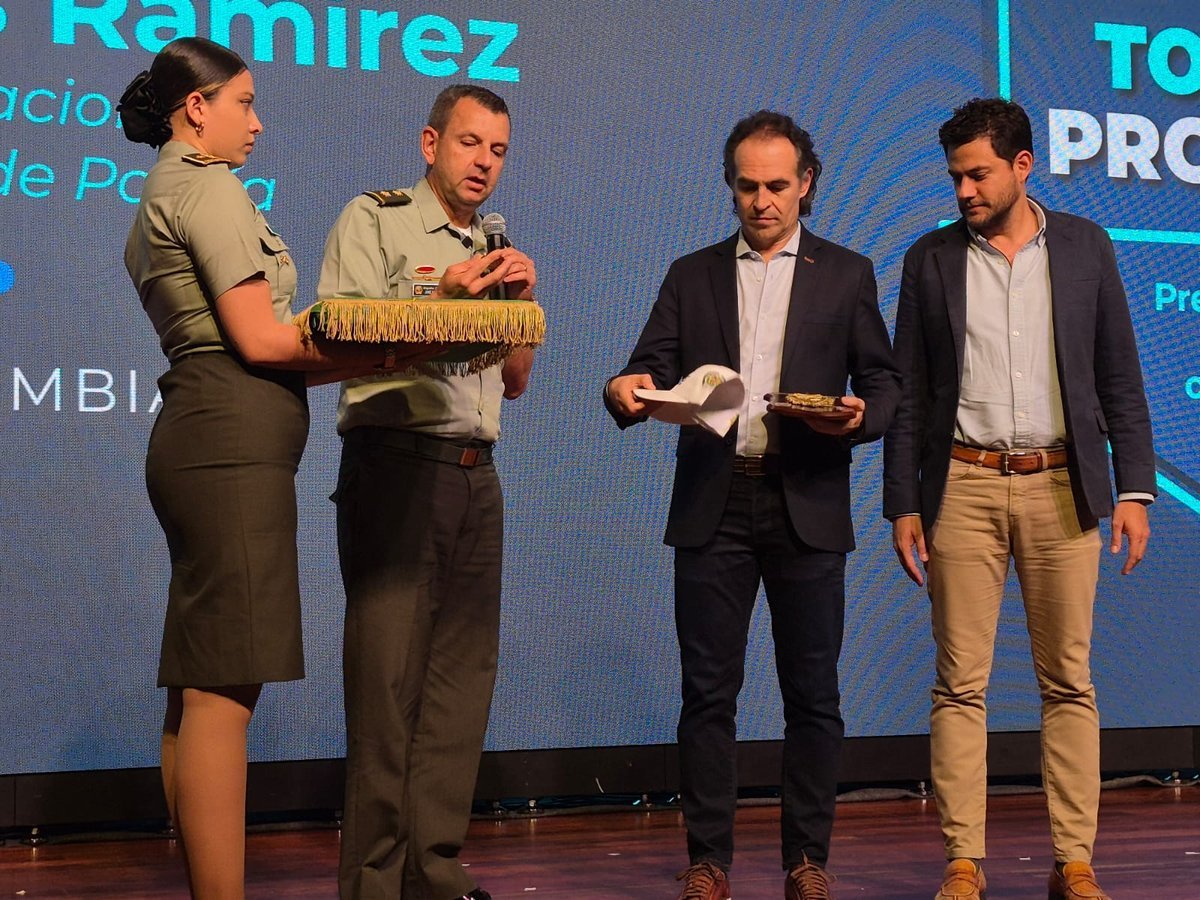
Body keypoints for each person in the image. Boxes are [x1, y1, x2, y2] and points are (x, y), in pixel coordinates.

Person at [121, 37, 431, 898]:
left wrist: (392, 345)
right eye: (245, 103)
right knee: (223, 688)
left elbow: (268, 347)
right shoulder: (207, 186)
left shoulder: (164, 189)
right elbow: (263, 340)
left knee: (198, 683)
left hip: (206, 435)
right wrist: (407, 326)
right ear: (197, 108)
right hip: (226, 447)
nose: (257, 122)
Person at [605, 111, 900, 900]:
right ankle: (708, 860)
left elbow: (885, 385)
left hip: (807, 496)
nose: (761, 201)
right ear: (729, 185)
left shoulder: (847, 273)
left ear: (806, 184)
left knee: (815, 696)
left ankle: (807, 860)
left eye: (777, 186)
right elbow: (644, 370)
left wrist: (858, 416)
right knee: (708, 694)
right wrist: (623, 390)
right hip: (715, 502)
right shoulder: (689, 274)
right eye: (747, 186)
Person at [883, 98, 1156, 900]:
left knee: (1068, 681)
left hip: (1063, 484)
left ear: (1022, 166)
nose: (963, 189)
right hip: (961, 487)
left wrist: (1133, 489)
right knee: (959, 683)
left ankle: (1074, 860)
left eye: (978, 173)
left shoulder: (1085, 248)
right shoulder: (928, 259)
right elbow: (910, 392)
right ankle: (963, 861)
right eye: (955, 176)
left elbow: (1120, 378)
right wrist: (904, 502)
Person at [316, 84, 537, 900]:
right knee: (387, 686)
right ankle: (373, 884)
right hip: (396, 464)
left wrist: (519, 307)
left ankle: (433, 872)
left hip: (478, 476)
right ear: (429, 143)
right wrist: (442, 300)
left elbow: (514, 383)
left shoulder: (493, 242)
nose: (484, 162)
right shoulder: (373, 221)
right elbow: (339, 331)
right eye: (470, 143)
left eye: (499, 150)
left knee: (458, 684)